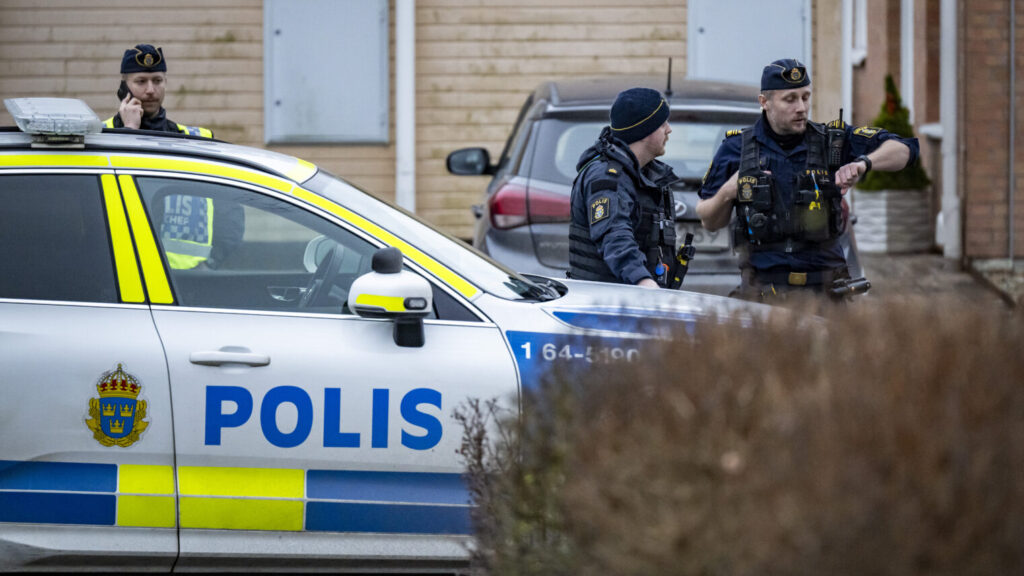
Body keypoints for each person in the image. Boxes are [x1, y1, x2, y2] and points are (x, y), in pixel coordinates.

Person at [696, 58, 919, 300]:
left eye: (805, 97)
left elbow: (906, 150)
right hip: (763, 291)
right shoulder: (736, 148)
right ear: (764, 102)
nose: (801, 107)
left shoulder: (832, 142)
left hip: (826, 292)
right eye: (790, 99)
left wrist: (864, 163)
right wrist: (728, 191)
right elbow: (708, 220)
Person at [106, 44, 240, 270]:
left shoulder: (196, 140)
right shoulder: (102, 137)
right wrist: (129, 132)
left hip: (190, 277)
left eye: (157, 80)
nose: (150, 90)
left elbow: (228, 206)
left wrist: (214, 260)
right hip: (125, 274)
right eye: (141, 82)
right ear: (123, 87)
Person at [568, 87, 678, 289]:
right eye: (662, 124)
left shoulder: (644, 174)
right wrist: (643, 281)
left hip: (632, 300)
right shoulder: (606, 178)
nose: (669, 129)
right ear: (645, 132)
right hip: (606, 306)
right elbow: (614, 236)